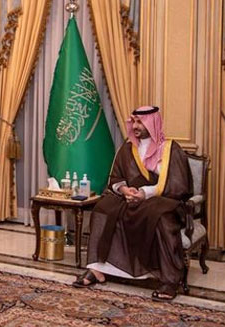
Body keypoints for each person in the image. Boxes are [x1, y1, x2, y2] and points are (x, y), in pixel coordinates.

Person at [72, 106, 192, 301]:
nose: (135, 126)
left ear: (152, 123)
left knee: (160, 216)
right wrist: (124, 190)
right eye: (134, 122)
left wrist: (145, 193)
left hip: (161, 200)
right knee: (102, 208)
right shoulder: (128, 148)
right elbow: (116, 177)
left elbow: (177, 184)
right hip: (130, 198)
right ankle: (97, 268)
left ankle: (169, 280)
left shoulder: (170, 149)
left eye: (140, 122)